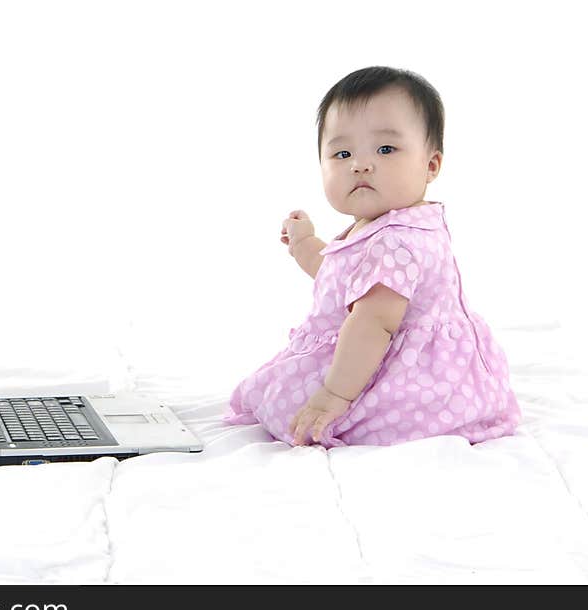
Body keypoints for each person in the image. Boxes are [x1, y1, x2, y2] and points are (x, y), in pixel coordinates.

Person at [222, 66, 521, 448]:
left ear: (430, 165)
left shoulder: (395, 242)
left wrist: (334, 395)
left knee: (285, 405)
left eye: (385, 149)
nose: (360, 164)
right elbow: (339, 275)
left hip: (404, 372)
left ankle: (377, 415)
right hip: (373, 352)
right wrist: (304, 243)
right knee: (277, 393)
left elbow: (373, 322)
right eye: (342, 153)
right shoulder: (383, 226)